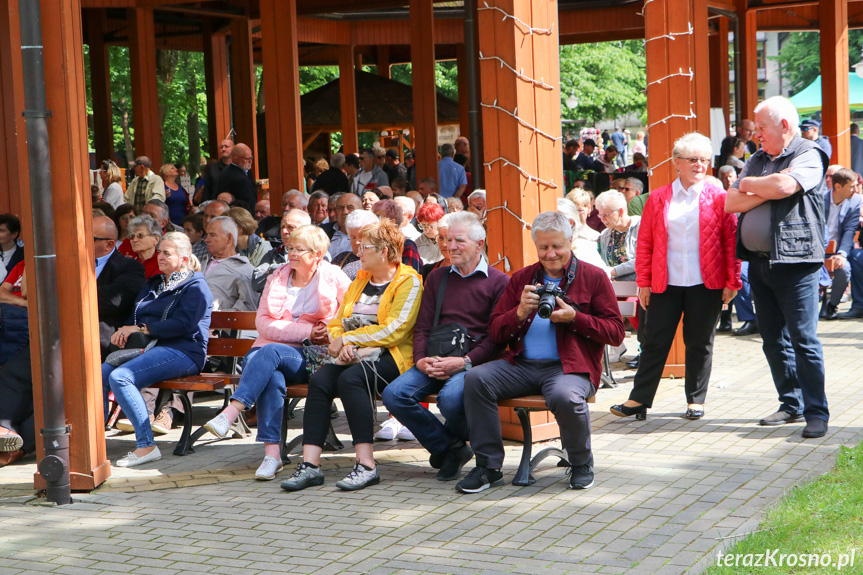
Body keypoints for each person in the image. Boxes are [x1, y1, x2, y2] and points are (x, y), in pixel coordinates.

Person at [457, 212, 624, 493]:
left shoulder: (593, 277)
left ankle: (581, 462)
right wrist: (519, 312)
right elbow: (496, 332)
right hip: (521, 364)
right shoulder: (522, 278)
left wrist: (575, 318)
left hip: (569, 367)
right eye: (543, 247)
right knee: (476, 379)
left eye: (556, 246)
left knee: (564, 395)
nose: (550, 254)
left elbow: (616, 332)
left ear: (570, 241)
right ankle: (488, 466)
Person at [280, 220, 423, 492]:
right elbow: (337, 321)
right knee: (321, 380)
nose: (358, 251)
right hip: (352, 353)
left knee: (351, 380)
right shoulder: (360, 279)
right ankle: (310, 466)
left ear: (384, 251)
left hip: (390, 356)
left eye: (364, 246)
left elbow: (395, 329)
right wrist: (342, 342)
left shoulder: (409, 281)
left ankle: (366, 465)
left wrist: (350, 339)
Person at [203, 226, 351, 480]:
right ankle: (272, 456)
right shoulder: (277, 276)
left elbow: (349, 312)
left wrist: (328, 332)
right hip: (268, 353)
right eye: (290, 248)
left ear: (316, 254)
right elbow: (263, 323)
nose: (291, 253)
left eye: (298, 249)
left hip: (309, 357)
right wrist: (304, 330)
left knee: (270, 353)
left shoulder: (333, 276)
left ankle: (233, 412)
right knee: (271, 374)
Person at [611, 132, 740, 421]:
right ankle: (639, 399)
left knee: (700, 342)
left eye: (704, 160)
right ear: (676, 162)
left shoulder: (719, 197)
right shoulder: (657, 199)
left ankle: (696, 400)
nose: (699, 165)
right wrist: (643, 282)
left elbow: (731, 241)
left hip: (706, 283)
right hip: (664, 284)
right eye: (692, 159)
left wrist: (733, 281)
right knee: (654, 341)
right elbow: (645, 244)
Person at [726, 96, 829, 438]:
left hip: (797, 263)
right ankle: (790, 403)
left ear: (784, 126)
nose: (757, 135)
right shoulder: (757, 159)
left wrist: (751, 185)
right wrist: (764, 186)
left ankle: (817, 412)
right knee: (772, 339)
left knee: (804, 340)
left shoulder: (809, 154)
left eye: (761, 128)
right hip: (759, 263)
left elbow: (786, 185)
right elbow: (730, 201)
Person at [382, 212, 509, 481]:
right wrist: (419, 359)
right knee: (394, 395)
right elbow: (423, 326)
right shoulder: (437, 277)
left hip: (474, 364)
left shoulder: (499, 282)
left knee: (451, 400)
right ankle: (450, 448)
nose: (450, 246)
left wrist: (464, 362)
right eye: (448, 240)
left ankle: (453, 449)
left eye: (459, 241)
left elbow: (497, 339)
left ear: (480, 243)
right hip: (435, 358)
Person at [102, 232, 212, 467]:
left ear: (184, 258)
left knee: (121, 377)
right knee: (99, 375)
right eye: (160, 251)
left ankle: (146, 446)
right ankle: (95, 440)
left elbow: (183, 325)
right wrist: (125, 331)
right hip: (152, 348)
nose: (160, 256)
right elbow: (135, 314)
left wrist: (141, 329)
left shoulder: (196, 286)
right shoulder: (154, 283)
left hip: (185, 350)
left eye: (166, 253)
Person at [820, 168, 862, 320]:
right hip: (817, 248)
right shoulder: (819, 198)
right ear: (838, 186)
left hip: (837, 250)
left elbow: (850, 230)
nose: (855, 190)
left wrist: (842, 254)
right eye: (852, 186)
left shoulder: (855, 201)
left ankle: (832, 305)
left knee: (844, 270)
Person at [201, 216, 258, 312]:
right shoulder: (198, 263)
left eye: (212, 235)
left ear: (229, 238)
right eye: (207, 235)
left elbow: (248, 309)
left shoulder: (245, 270)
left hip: (215, 323)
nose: (206, 239)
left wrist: (217, 318)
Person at [252, 209, 313, 293]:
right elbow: (256, 284)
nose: (284, 231)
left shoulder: (315, 254)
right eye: (282, 227)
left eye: (290, 227)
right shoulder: (273, 253)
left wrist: (272, 269)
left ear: (306, 230)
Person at [331, 210, 379, 280]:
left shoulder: (380, 261)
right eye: (353, 237)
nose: (357, 242)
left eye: (361, 236)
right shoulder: (342, 258)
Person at [215, 143, 257, 211]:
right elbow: (247, 201)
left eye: (251, 157)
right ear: (236, 159)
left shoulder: (244, 169)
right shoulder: (234, 176)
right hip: (241, 213)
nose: (250, 161)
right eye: (247, 159)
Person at [324, 193, 361, 259]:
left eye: (350, 208)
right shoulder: (323, 231)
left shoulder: (368, 235)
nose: (345, 212)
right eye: (340, 208)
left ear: (361, 210)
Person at [198, 139, 235, 204]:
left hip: (236, 207)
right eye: (221, 147)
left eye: (226, 146)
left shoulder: (239, 167)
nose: (223, 149)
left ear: (233, 149)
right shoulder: (212, 169)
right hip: (217, 206)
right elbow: (207, 192)